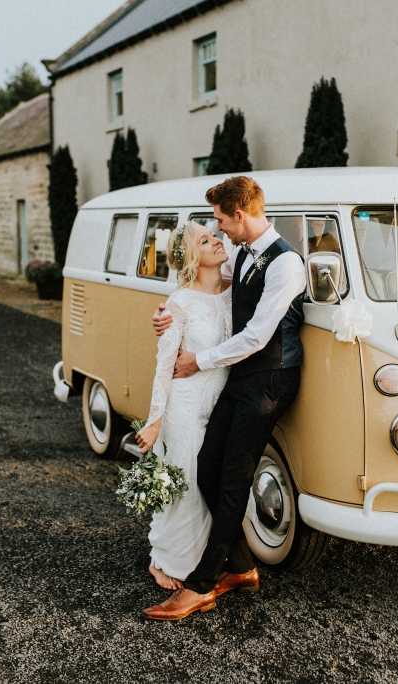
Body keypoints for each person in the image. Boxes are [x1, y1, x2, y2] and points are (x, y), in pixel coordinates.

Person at [143, 176, 306, 621]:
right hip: (239, 376)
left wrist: (199, 360)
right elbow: (201, 285)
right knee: (208, 471)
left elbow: (257, 334)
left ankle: (200, 585)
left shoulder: (286, 264)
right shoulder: (242, 253)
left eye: (220, 221)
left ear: (240, 214)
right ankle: (242, 567)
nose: (219, 231)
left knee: (232, 478)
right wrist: (166, 312)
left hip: (270, 379)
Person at [134, 221, 232, 591]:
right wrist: (155, 421)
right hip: (185, 407)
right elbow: (164, 365)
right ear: (193, 257)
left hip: (216, 406)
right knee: (186, 488)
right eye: (206, 241)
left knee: (207, 486)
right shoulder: (179, 303)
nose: (217, 241)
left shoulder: (232, 292)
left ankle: (202, 560)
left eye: (214, 235)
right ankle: (164, 561)